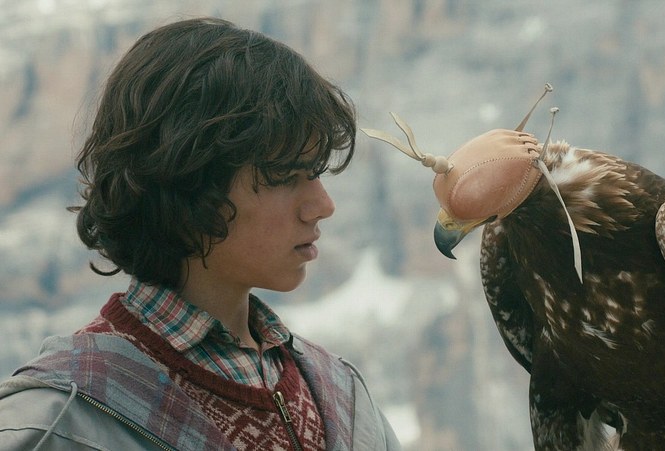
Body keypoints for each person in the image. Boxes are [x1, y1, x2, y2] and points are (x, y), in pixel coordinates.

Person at [0, 17, 399, 450]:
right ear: (189, 180)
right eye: (286, 176)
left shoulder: (345, 401)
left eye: (316, 173)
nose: (322, 205)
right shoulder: (59, 424)